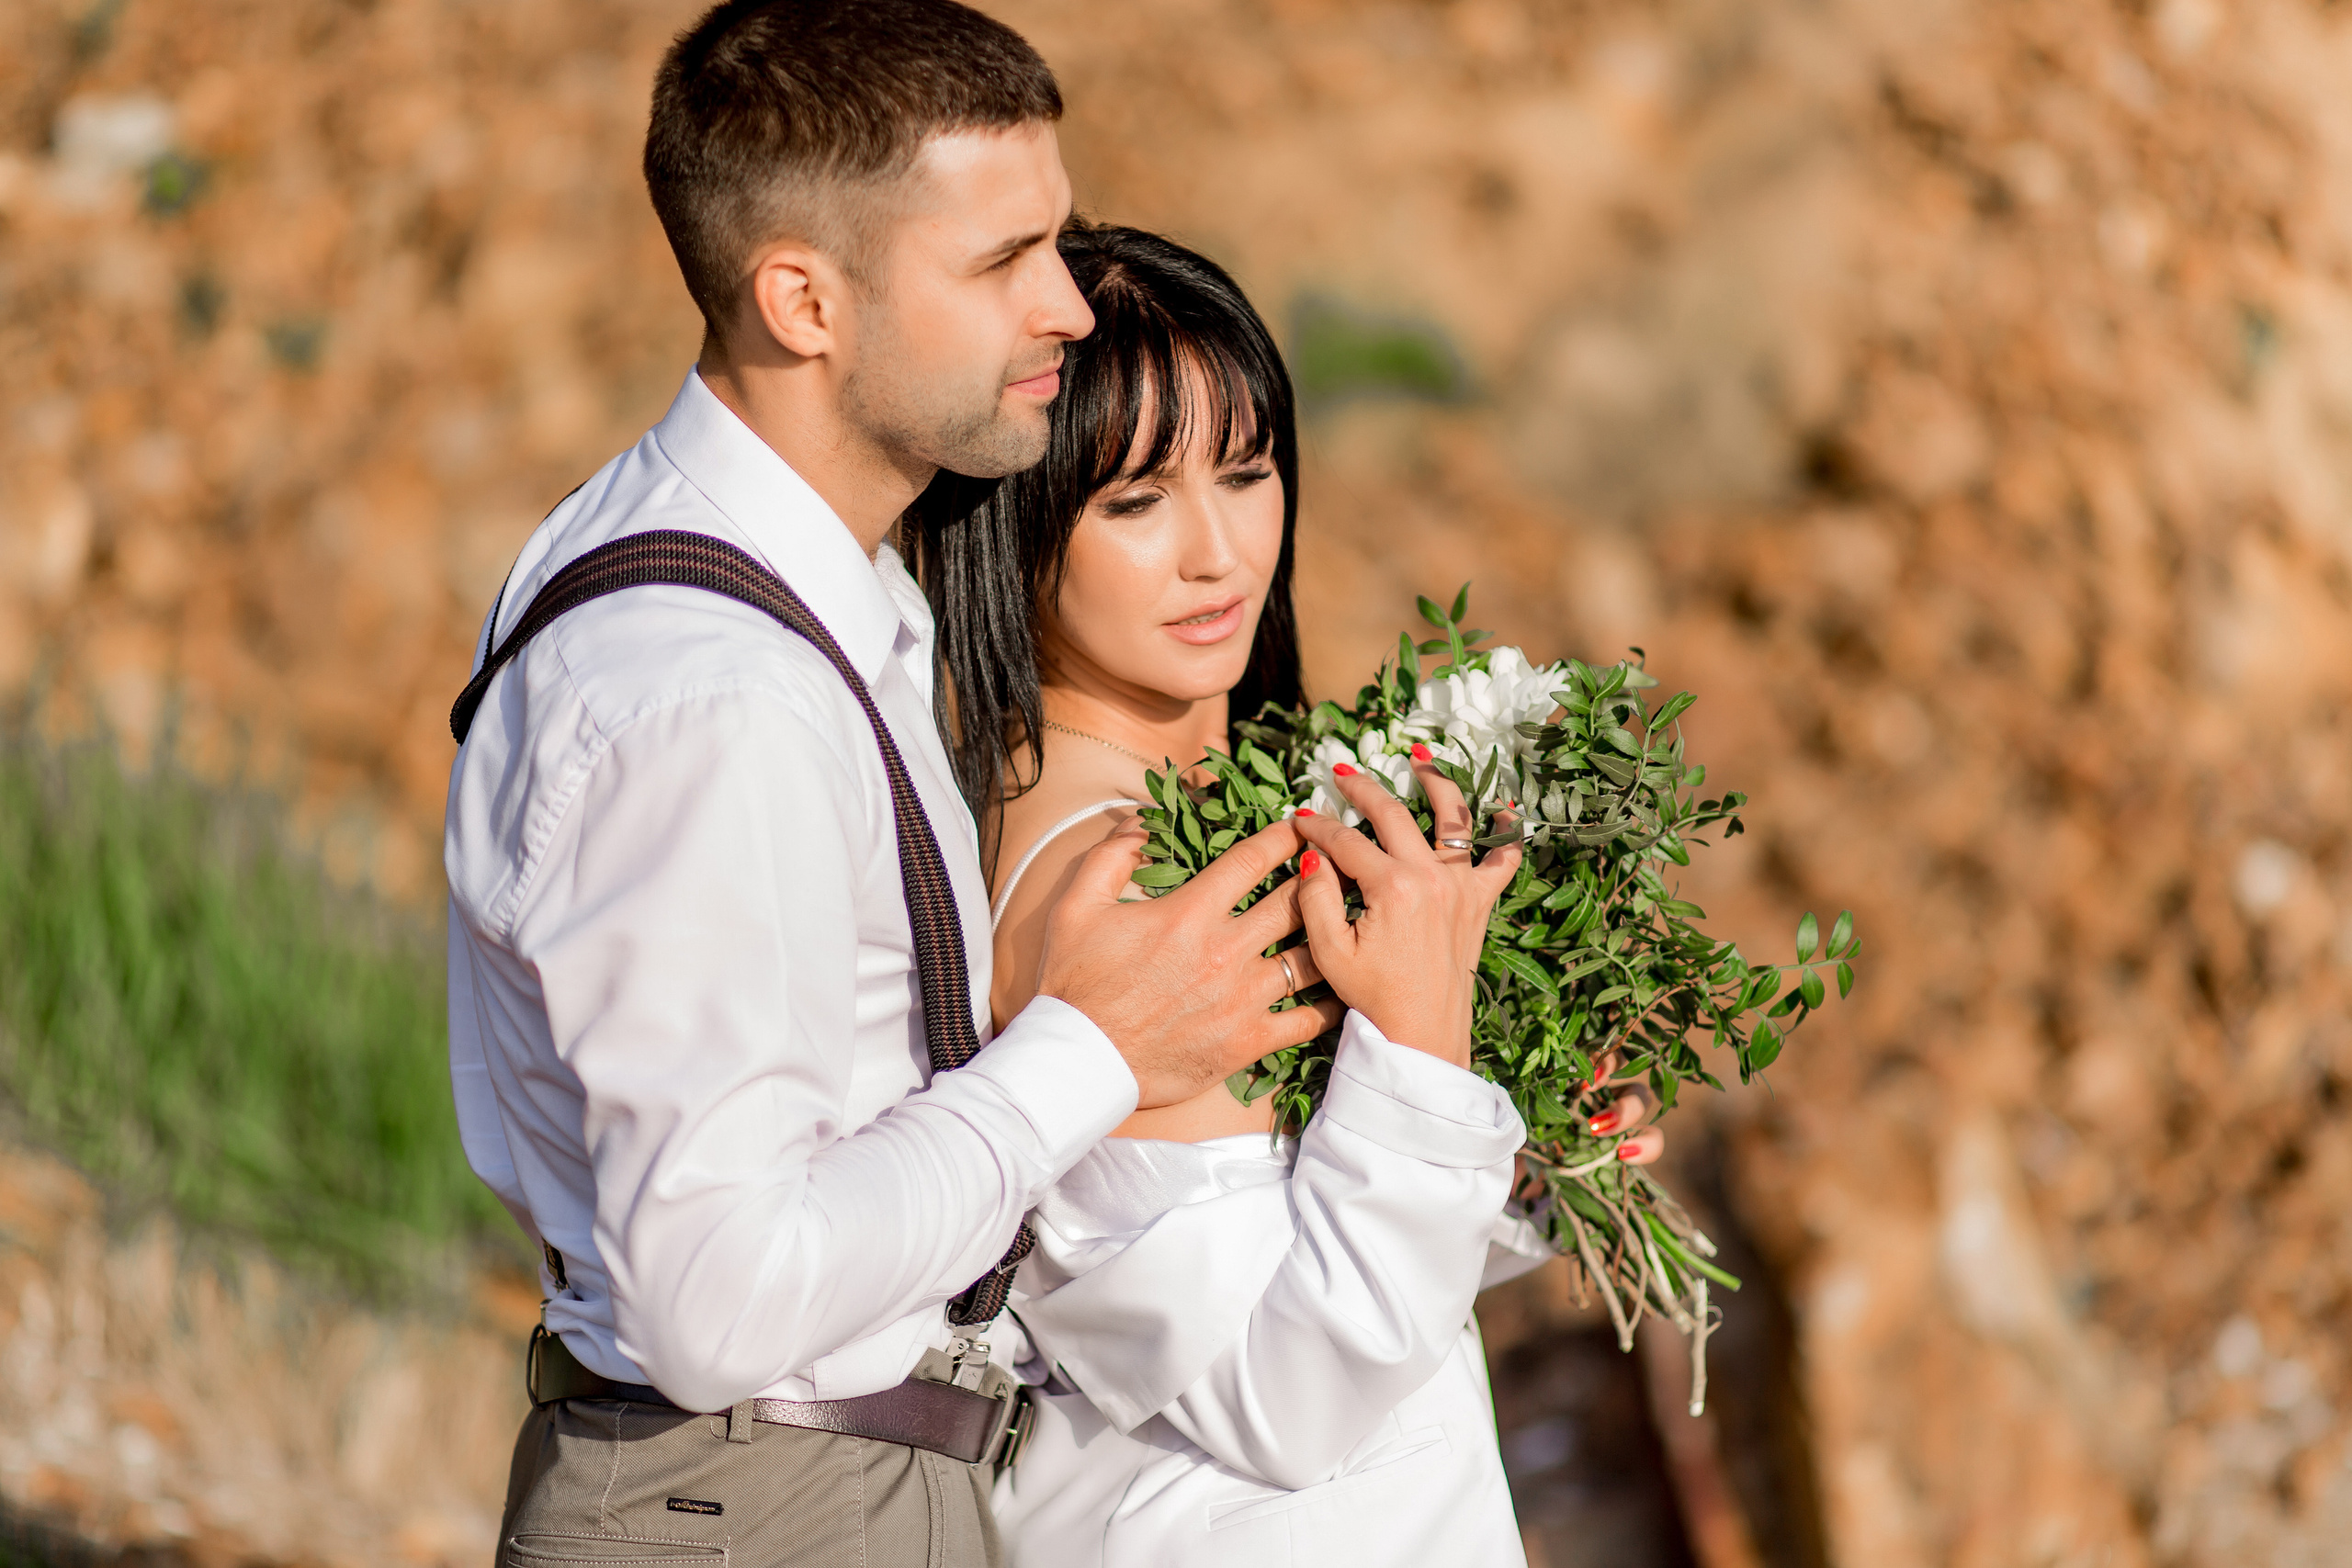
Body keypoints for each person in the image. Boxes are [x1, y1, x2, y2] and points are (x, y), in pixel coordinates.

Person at [444, 6, 1502, 1566]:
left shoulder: (791, 606)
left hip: (821, 1486)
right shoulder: (714, 698)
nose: (1066, 305)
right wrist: (1095, 1050)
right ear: (803, 298)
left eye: (1057, 246)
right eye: (1003, 262)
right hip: (755, 1504)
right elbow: (715, 1296)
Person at [906, 224, 1668, 1566]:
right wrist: (1423, 1049)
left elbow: (1272, 1268)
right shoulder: (1128, 881)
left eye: (1248, 473)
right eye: (1135, 503)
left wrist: (1524, 1147)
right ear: (1013, 520)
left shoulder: (1193, 814)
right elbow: (1289, 1393)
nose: (1218, 553)